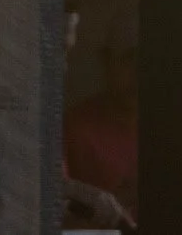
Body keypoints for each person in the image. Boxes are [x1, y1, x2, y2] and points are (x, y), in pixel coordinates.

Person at [65, 12, 140, 228]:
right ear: (105, 61)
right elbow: (55, 208)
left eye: (147, 60)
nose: (138, 73)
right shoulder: (73, 128)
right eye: (129, 59)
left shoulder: (175, 129)